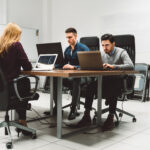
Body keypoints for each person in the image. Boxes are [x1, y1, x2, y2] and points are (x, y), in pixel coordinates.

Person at [74, 34, 134, 131]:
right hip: (104, 80)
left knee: (112, 87)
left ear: (113, 44)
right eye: (103, 45)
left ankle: (110, 117)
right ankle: (86, 116)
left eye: (107, 45)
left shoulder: (122, 52)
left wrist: (113, 66)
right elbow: (95, 66)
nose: (104, 48)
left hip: (118, 80)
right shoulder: (101, 54)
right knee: (90, 87)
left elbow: (130, 65)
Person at [0, 23, 32, 135]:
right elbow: (28, 67)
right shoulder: (16, 45)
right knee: (25, 82)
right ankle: (22, 120)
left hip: (2, 90)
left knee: (21, 83)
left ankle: (21, 118)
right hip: (12, 88)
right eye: (19, 35)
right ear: (14, 35)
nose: (19, 37)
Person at [53, 27, 89, 120]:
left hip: (84, 77)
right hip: (71, 76)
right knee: (54, 78)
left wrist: (74, 67)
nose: (68, 40)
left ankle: (73, 109)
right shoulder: (67, 50)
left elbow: (88, 66)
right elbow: (63, 63)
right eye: (67, 38)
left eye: (70, 37)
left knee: (76, 79)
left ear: (75, 36)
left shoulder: (83, 48)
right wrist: (54, 66)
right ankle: (57, 107)